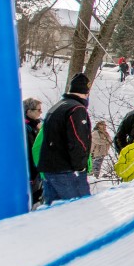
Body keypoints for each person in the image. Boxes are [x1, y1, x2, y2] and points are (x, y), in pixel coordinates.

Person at [37, 72, 93, 203]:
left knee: (54, 211)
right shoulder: (77, 109)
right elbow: (78, 141)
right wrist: (80, 166)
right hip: (66, 170)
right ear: (86, 92)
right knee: (80, 208)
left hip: (48, 168)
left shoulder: (57, 106)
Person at [23, 97, 44, 206]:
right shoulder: (25, 128)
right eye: (38, 110)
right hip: (32, 171)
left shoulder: (37, 125)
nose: (41, 112)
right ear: (29, 111)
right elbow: (30, 151)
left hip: (38, 169)